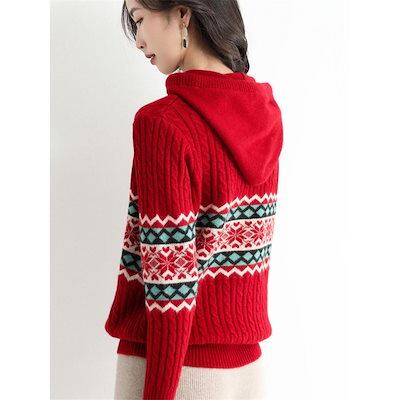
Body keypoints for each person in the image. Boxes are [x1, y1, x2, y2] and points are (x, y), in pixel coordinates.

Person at [104, 0, 284, 399]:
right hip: (246, 372)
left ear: (183, 13)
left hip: (171, 371)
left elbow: (170, 284)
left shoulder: (163, 125)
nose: (139, 40)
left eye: (140, 20)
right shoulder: (265, 117)